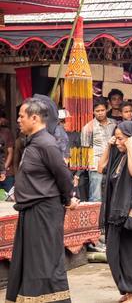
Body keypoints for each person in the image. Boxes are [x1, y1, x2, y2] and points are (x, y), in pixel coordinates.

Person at [6, 98, 77, 303]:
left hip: (45, 211)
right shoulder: (33, 142)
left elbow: (63, 176)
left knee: (44, 261)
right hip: (31, 211)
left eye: (21, 116)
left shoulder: (47, 143)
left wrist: (67, 199)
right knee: (31, 260)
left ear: (34, 118)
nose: (18, 120)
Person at [97, 121, 132, 303]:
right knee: (114, 252)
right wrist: (109, 145)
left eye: (121, 139)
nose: (118, 142)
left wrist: (130, 148)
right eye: (117, 138)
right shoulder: (117, 156)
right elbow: (100, 168)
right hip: (117, 210)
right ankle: (127, 290)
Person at [81, 99, 117, 202]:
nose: (100, 113)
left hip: (112, 163)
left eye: (102, 110)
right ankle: (95, 218)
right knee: (96, 196)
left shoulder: (114, 124)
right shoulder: (88, 127)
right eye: (97, 111)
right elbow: (85, 150)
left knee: (111, 195)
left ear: (107, 109)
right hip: (96, 165)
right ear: (93, 111)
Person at [0, 111, 15, 191]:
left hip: (7, 172)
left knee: (9, 198)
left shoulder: (6, 132)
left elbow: (10, 152)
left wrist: (3, 169)